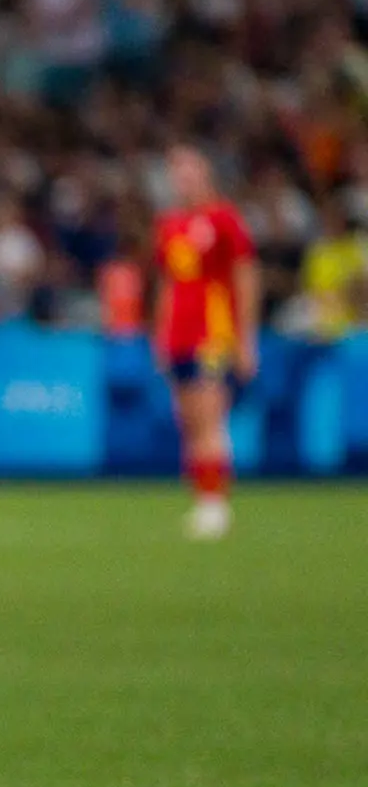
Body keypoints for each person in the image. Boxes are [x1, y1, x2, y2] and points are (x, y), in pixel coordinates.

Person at [152, 144, 258, 541]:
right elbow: (167, 284)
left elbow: (245, 275)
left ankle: (216, 504)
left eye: (189, 171)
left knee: (209, 416)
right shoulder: (170, 225)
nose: (183, 181)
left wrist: (245, 337)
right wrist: (161, 334)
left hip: (213, 334)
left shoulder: (224, 219)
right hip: (179, 334)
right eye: (176, 174)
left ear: (205, 174)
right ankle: (203, 498)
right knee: (189, 420)